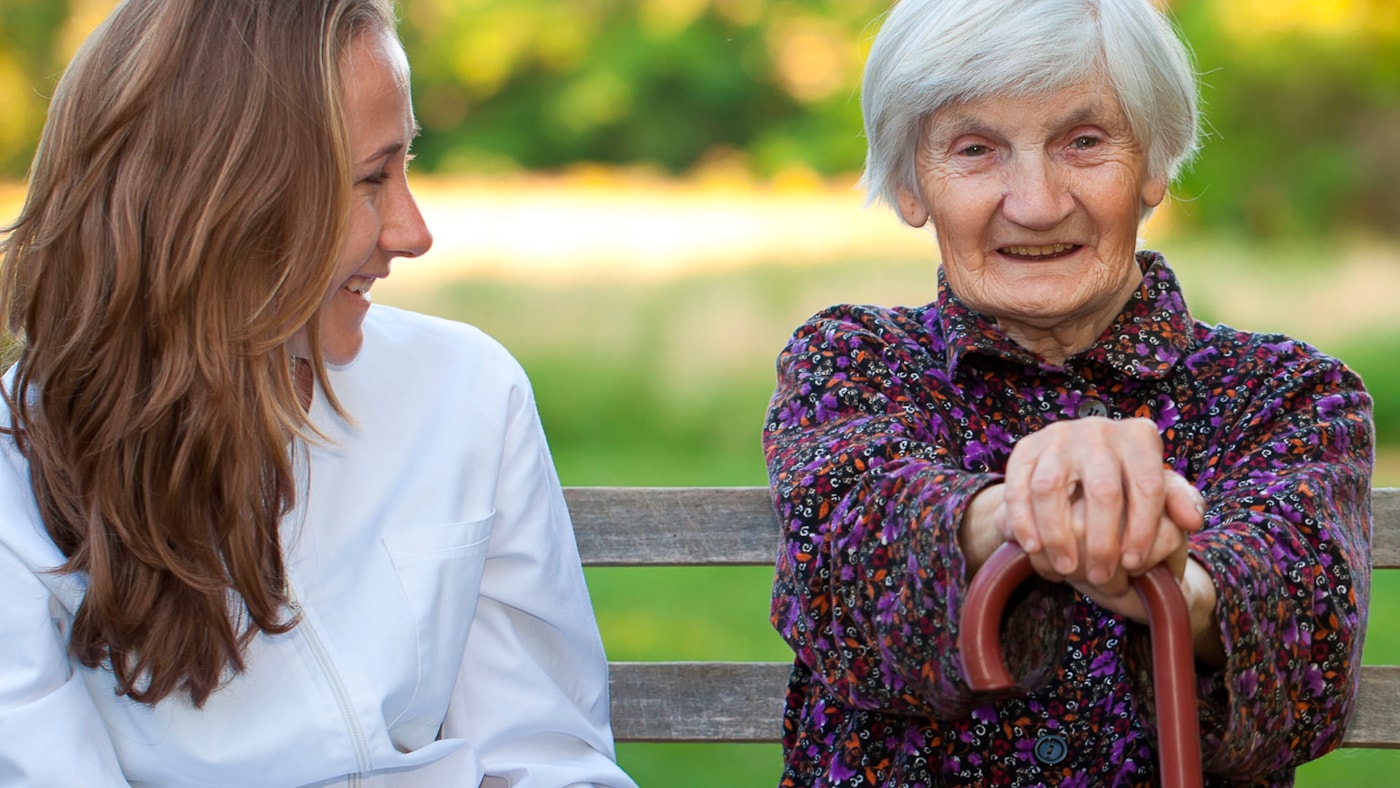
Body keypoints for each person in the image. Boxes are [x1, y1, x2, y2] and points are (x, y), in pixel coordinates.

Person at [0, 1, 636, 786]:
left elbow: (546, 756)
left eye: (408, 167)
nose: (413, 231)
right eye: (371, 178)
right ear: (218, 200)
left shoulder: (467, 391)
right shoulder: (15, 476)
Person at [762, 0, 1373, 785]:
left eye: (1083, 142)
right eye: (977, 149)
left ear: (1154, 164)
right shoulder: (849, 361)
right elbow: (850, 556)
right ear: (914, 184)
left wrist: (1175, 582)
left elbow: (1306, 655)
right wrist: (1033, 504)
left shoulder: (1288, 396)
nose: (1038, 202)